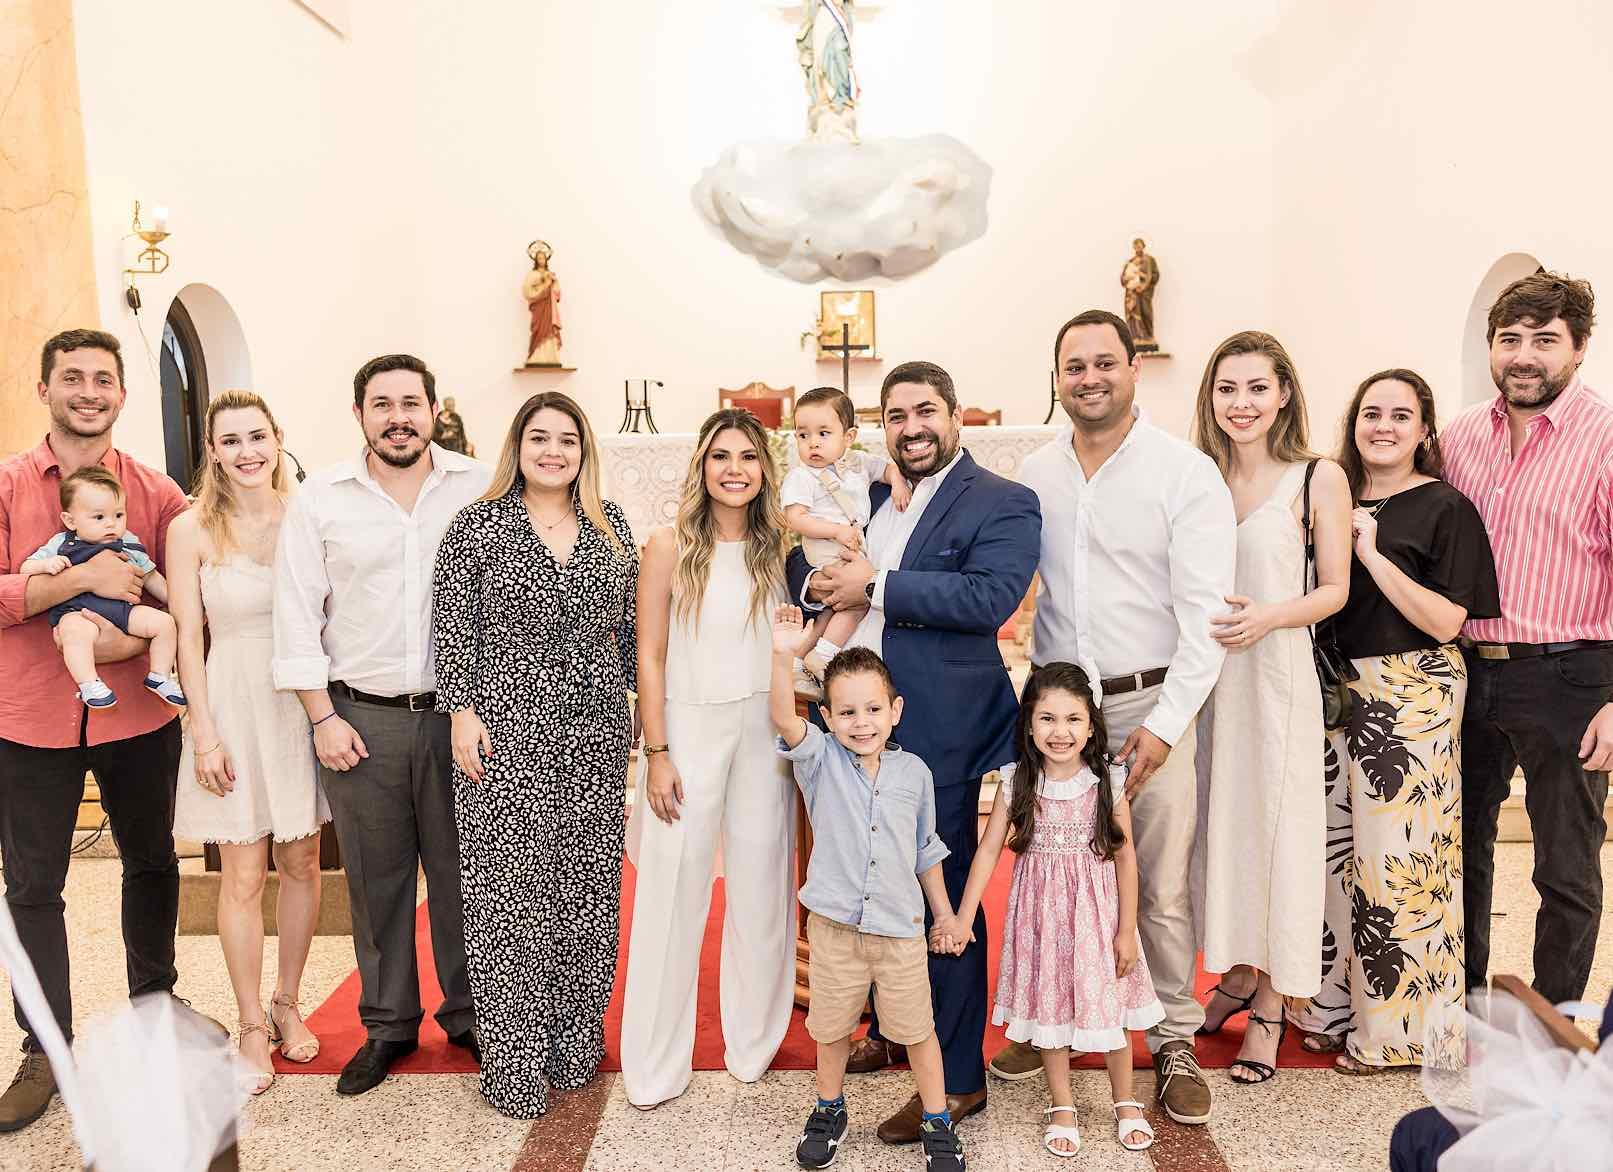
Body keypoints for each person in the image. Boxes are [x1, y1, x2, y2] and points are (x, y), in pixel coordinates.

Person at [789, 360, 1042, 1142]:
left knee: (943, 896)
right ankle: (893, 1027)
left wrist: (877, 585)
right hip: (857, 728)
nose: (912, 428)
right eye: (896, 416)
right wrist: (817, 583)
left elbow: (988, 598)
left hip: (942, 733)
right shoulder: (867, 492)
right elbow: (806, 557)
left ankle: (959, 1080)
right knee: (867, 877)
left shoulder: (1002, 499)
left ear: (955, 416)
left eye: (925, 411)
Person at [1004, 310, 1232, 1126]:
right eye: (1074, 366)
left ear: (1134, 369)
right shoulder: (1034, 473)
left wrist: (1166, 725)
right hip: (1060, 714)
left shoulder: (1183, 472)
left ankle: (1171, 1039)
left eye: (1105, 362)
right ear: (1056, 378)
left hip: (1148, 701)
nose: (1089, 377)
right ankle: (1050, 1020)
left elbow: (1206, 616)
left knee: (1156, 881)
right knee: (1053, 874)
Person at [272, 353, 489, 1096]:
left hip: (461, 716)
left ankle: (471, 1014)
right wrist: (321, 716)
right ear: (359, 414)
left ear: (434, 410)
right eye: (382, 404)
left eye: (410, 403)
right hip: (360, 718)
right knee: (377, 880)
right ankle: (389, 1024)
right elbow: (297, 612)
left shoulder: (479, 486)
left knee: (466, 876)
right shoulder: (321, 499)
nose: (398, 417)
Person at [0, 329, 191, 1131]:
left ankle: (156, 1013)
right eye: (72, 377)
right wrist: (77, 579)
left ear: (121, 393)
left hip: (139, 715)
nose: (88, 391)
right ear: (45, 389)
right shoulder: (8, 486)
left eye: (103, 379)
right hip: (27, 717)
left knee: (152, 864)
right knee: (32, 889)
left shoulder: (157, 493)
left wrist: (123, 642)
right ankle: (45, 1049)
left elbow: (187, 598)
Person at [431, 391, 638, 1119]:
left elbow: (630, 630)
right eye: (540, 438)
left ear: (584, 451)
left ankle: (574, 1044)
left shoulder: (612, 525)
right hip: (505, 726)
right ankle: (514, 1064)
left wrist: (638, 716)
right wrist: (461, 712)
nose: (554, 451)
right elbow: (453, 626)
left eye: (567, 440)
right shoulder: (477, 526)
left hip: (594, 727)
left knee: (587, 891)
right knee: (508, 899)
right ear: (517, 446)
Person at [1289, 370, 1499, 1074]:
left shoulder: (1445, 507)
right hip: (1334, 689)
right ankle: (1334, 1006)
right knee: (1334, 856)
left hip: (1412, 688)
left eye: (1400, 415)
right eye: (1371, 413)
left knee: (1399, 861)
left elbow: (1445, 620)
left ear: (1424, 430)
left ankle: (1401, 1034)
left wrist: (1370, 554)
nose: (1383, 426)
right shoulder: (1328, 493)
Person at [1442, 272, 1613, 1007]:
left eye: (1544, 340)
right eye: (1509, 338)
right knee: (1457, 853)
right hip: (1465, 671)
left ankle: (1551, 1027)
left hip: (1571, 676)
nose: (1523, 355)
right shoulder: (1457, 437)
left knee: (1565, 867)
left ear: (1578, 348)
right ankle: (1464, 1013)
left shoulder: (1604, 438)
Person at [620, 408, 797, 1109]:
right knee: (672, 890)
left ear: (764, 469)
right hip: (688, 728)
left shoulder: (779, 547)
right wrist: (657, 751)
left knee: (761, 886)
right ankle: (655, 1062)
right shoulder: (667, 545)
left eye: (748, 456)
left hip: (763, 729)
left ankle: (752, 1044)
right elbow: (650, 653)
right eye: (721, 455)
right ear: (701, 465)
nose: (734, 469)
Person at [1191, 330, 1350, 1085]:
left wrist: (1270, 617)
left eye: (1257, 387)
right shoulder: (1197, 475)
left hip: (1276, 673)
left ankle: (1270, 1008)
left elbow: (1335, 590)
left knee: (1280, 836)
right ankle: (1234, 974)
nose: (1242, 403)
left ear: (1283, 393)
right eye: (1227, 388)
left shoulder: (1316, 477)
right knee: (1222, 831)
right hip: (1206, 681)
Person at [170, 390, 330, 1095]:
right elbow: (186, 638)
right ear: (212, 450)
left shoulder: (305, 515)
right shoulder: (190, 529)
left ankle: (288, 1001)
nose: (246, 452)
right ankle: (250, 1024)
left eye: (256, 437)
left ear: (277, 438)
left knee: (302, 860)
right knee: (241, 874)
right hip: (232, 701)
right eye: (230, 440)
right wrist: (203, 731)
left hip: (298, 703)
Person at [768, 611, 966, 1172]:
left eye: (873, 709)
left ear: (895, 710)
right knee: (832, 1028)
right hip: (835, 930)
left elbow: (926, 850)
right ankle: (828, 1110)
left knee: (919, 1031)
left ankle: (937, 1120)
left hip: (900, 931)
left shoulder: (915, 774)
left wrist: (945, 916)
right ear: (828, 717)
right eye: (848, 712)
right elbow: (782, 714)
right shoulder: (819, 760)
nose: (861, 723)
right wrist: (783, 653)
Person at [939, 662, 1163, 1156]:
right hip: (1040, 920)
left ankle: (1125, 1100)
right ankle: (1062, 1104)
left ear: (1091, 725)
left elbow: (1125, 857)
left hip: (1097, 918)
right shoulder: (1017, 780)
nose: (1060, 732)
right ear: (1028, 724)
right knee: (1051, 1011)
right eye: (1047, 718)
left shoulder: (1107, 780)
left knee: (1112, 1010)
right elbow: (988, 851)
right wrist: (962, 915)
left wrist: (1127, 930)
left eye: (1073, 719)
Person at [20, 467, 186, 710]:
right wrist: (46, 565)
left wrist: (178, 602)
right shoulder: (62, 544)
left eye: (118, 515)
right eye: (99, 517)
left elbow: (151, 577)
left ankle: (159, 675)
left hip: (123, 610)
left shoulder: (128, 542)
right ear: (70, 520)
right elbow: (26, 567)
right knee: (74, 632)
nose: (111, 524)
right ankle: (89, 683)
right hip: (78, 612)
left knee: (165, 623)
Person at [780, 386, 909, 685]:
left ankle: (798, 659)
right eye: (803, 435)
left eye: (823, 433)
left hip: (847, 544)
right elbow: (795, 518)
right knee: (860, 599)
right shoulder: (802, 476)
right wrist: (837, 531)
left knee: (833, 607)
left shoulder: (858, 463)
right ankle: (824, 656)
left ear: (848, 437)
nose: (813, 443)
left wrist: (898, 483)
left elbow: (888, 469)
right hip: (826, 545)